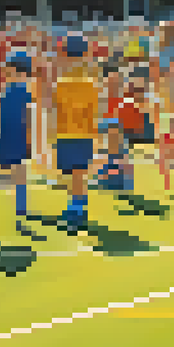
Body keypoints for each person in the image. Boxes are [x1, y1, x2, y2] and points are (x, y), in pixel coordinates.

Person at [50, 34, 100, 232]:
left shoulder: (62, 83)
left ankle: (77, 210)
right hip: (82, 134)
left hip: (68, 133)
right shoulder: (89, 83)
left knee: (75, 174)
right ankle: (77, 206)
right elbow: (94, 111)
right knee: (76, 174)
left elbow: (54, 108)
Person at [0, 50, 36, 218]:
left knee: (17, 172)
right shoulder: (10, 91)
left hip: (15, 135)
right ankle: (19, 207)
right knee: (16, 173)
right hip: (11, 135)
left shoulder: (20, 92)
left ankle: (19, 207)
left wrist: (29, 140)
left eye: (9, 67)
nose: (6, 71)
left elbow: (28, 117)